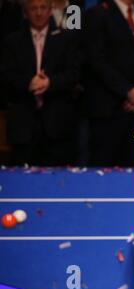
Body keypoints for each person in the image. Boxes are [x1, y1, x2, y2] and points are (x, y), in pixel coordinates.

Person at [83, 0, 134, 166]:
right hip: (109, 113)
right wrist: (128, 92)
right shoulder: (97, 14)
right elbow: (96, 61)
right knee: (104, 178)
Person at [1, 0, 80, 166]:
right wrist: (29, 82)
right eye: (33, 8)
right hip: (23, 126)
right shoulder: (12, 42)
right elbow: (6, 76)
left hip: (57, 126)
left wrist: (50, 82)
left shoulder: (66, 39)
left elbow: (74, 73)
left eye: (43, 8)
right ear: (25, 12)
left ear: (50, 11)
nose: (38, 13)